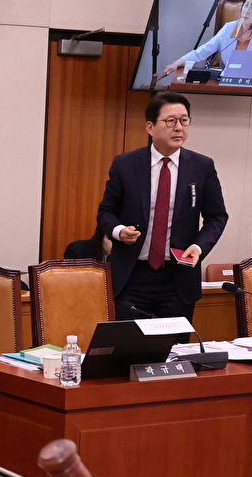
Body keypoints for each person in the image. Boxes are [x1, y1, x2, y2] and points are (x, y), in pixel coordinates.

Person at [97, 92, 228, 321]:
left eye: (184, 120)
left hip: (178, 277)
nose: (179, 128)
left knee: (176, 353)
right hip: (132, 276)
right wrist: (119, 232)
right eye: (170, 121)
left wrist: (198, 247)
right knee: (129, 350)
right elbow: (106, 211)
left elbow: (217, 216)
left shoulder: (202, 167)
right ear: (150, 127)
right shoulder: (126, 164)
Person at [161, 0, 252, 82]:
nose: (246, 11)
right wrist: (175, 64)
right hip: (225, 82)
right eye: (246, 5)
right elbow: (202, 51)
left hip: (250, 82)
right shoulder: (229, 28)